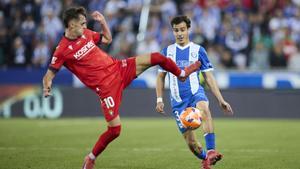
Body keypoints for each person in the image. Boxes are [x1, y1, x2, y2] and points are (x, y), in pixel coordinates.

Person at [42, 7, 201, 169]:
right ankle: (90, 158)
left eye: (85, 23)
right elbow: (49, 74)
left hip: (119, 68)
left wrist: (103, 22)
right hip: (106, 88)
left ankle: (181, 73)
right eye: (82, 24)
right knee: (115, 130)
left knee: (158, 57)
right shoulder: (61, 50)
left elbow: (107, 39)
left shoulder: (87, 34)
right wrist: (47, 86)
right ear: (71, 25)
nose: (85, 26)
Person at [155, 16, 234, 169]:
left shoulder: (198, 50)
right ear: (173, 31)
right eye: (176, 30)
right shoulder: (167, 52)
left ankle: (211, 150)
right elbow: (160, 77)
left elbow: (209, 77)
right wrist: (159, 99)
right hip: (178, 102)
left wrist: (220, 99)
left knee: (204, 109)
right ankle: (206, 158)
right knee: (191, 143)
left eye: (182, 30)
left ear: (188, 30)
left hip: (195, 92)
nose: (179, 33)